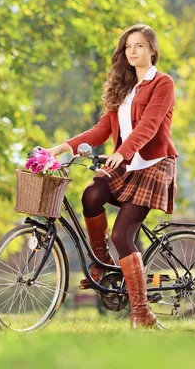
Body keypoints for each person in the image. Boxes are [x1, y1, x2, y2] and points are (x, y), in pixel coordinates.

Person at [46, 24, 178, 329]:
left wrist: (123, 151)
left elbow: (150, 125)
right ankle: (101, 262)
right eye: (129, 46)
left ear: (152, 50)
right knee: (91, 195)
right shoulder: (126, 88)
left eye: (140, 46)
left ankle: (142, 313)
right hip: (126, 162)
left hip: (153, 163)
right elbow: (100, 130)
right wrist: (62, 148)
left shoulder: (163, 83)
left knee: (122, 235)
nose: (133, 51)